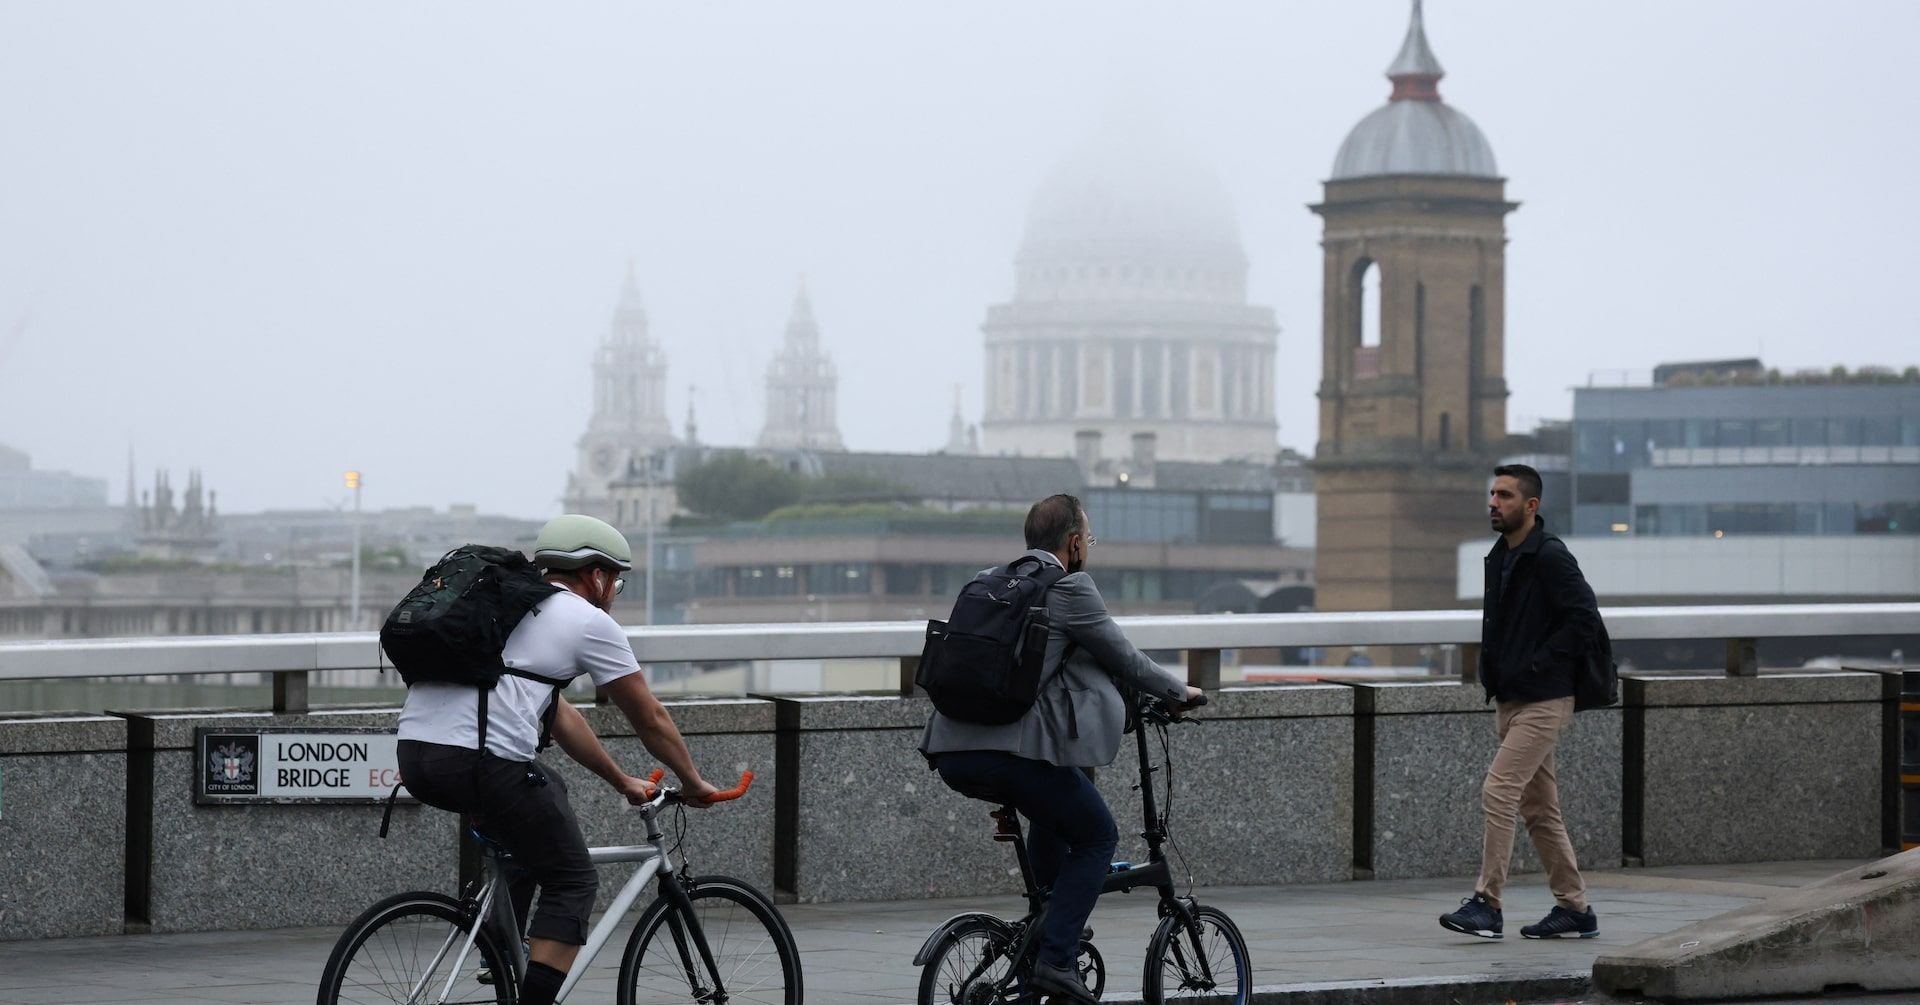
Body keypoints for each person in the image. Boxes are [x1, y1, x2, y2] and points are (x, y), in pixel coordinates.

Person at [396, 514, 720, 1005]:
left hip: (418, 758)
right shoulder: (587, 621)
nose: (615, 591)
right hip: (484, 764)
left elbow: (560, 715)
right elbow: (650, 717)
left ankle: (502, 951)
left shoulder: (504, 607)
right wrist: (693, 781)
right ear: (597, 575)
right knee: (573, 880)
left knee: (545, 797)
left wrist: (620, 781)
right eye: (618, 580)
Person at [920, 493, 1204, 1003]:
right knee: (1098, 835)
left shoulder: (990, 581)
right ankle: (1054, 958)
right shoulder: (1069, 587)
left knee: (1056, 814)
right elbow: (1124, 656)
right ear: (1074, 544)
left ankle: (1045, 940)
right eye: (1088, 540)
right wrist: (1180, 693)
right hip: (1010, 755)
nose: (1087, 548)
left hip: (949, 749)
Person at [1439, 464, 1603, 941]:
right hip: (1512, 699)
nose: (1494, 502)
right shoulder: (1501, 555)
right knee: (1540, 810)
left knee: (1499, 791)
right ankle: (1575, 909)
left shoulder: (1550, 556)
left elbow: (1584, 619)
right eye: (1492, 494)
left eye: (1506, 496)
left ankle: (1488, 904)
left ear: (1531, 506)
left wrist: (1537, 664)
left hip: (1545, 698)